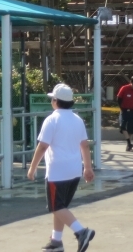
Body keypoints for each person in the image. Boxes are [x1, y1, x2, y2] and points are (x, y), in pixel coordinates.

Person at [27, 83, 96, 252]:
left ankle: (81, 232)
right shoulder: (77, 119)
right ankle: (56, 242)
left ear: (56, 101)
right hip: (74, 170)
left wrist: (32, 167)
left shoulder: (52, 119)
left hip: (57, 171)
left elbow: (42, 146)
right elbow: (85, 146)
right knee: (60, 207)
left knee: (56, 207)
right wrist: (88, 167)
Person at [116, 75, 133, 152]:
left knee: (131, 129)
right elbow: (119, 98)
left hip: (132, 111)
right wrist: (121, 107)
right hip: (124, 110)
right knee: (122, 127)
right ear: (131, 82)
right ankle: (129, 143)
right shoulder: (124, 88)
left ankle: (129, 147)